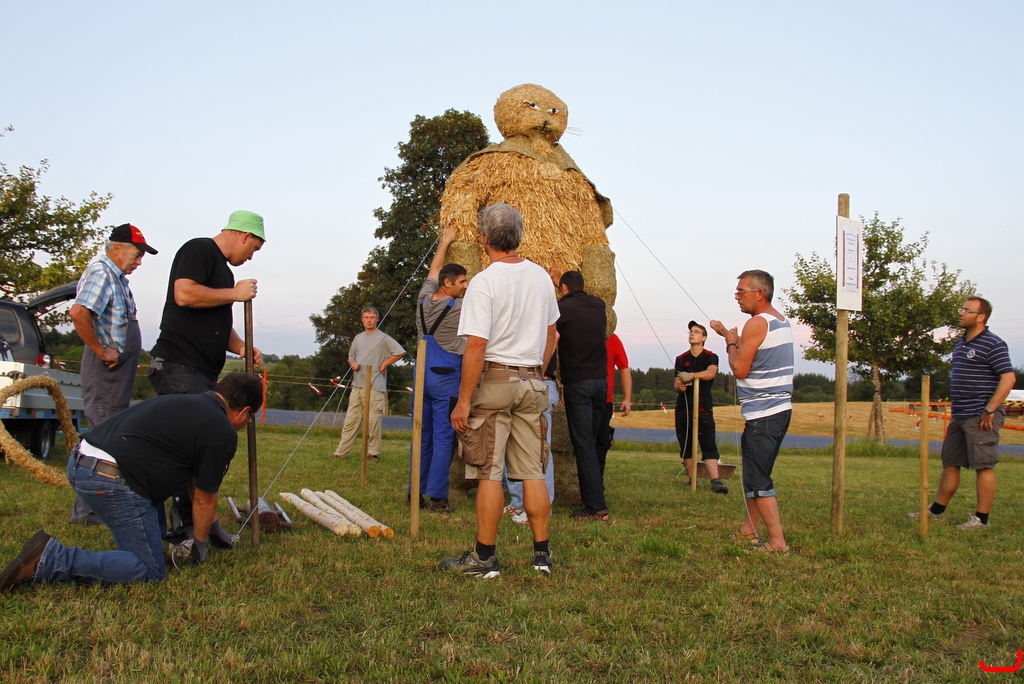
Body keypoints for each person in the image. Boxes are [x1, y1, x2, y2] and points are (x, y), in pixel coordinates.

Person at [0, 373, 264, 591]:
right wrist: (201, 546)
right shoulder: (221, 431)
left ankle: (143, 548)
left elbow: (194, 482)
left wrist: (209, 529)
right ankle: (51, 558)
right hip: (110, 479)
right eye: (250, 417)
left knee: (153, 536)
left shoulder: (186, 402)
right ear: (244, 411)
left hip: (81, 461)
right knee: (149, 571)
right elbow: (205, 497)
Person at [442, 203, 558, 577]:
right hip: (533, 382)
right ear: (518, 236)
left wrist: (463, 401)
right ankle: (541, 556)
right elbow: (552, 333)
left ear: (485, 238)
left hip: (496, 381)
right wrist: (538, 369)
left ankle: (485, 558)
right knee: (532, 470)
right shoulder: (542, 278)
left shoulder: (484, 282)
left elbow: (476, 345)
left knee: (489, 471)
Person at [68, 224, 158, 526]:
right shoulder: (102, 272)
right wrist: (100, 349)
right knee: (102, 437)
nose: (139, 261)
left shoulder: (118, 279)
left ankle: (95, 509)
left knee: (109, 434)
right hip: (105, 372)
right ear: (117, 248)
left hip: (116, 374)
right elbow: (79, 312)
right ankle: (88, 513)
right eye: (137, 254)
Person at [909, 297, 1015, 530]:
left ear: (981, 317)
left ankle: (981, 519)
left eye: (967, 310)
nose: (961, 313)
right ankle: (937, 511)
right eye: (962, 309)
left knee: (983, 465)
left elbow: (1008, 378)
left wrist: (990, 409)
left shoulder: (993, 344)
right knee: (950, 462)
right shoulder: (961, 342)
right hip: (960, 413)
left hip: (981, 414)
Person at [710, 270, 794, 555]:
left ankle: (777, 542)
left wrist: (731, 343)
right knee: (756, 474)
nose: (737, 297)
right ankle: (749, 530)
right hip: (779, 411)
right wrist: (729, 335)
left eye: (741, 292)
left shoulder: (756, 323)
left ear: (760, 293)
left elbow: (739, 368)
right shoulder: (779, 320)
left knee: (758, 478)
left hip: (763, 414)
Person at [149, 210, 266, 394]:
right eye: (255, 248)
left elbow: (217, 323)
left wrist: (242, 347)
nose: (251, 257)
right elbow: (184, 294)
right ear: (245, 236)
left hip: (201, 371)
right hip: (181, 365)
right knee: (190, 414)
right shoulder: (199, 249)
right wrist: (235, 293)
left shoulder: (225, 272)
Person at [411, 225, 468, 512]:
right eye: (462, 282)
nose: (465, 286)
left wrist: (446, 241)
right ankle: (437, 498)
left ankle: (414, 492)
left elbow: (433, 269)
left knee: (421, 435)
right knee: (443, 437)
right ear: (448, 284)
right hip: (445, 377)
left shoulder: (423, 299)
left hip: (420, 373)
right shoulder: (459, 308)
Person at [556, 270, 610, 521]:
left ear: (564, 288)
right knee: (594, 442)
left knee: (584, 444)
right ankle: (597, 497)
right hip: (601, 383)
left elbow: (551, 332)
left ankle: (595, 507)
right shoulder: (599, 306)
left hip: (578, 383)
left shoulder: (561, 309)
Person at [333, 307, 405, 460]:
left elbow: (400, 352)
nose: (369, 320)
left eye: (372, 317)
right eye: (366, 317)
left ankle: (373, 453)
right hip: (357, 385)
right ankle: (340, 453)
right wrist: (353, 364)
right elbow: (350, 357)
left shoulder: (383, 338)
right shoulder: (358, 338)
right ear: (362, 319)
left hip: (375, 385)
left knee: (373, 421)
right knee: (351, 421)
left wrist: (385, 363)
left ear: (377, 319)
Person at [503, 353, 558, 524]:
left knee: (539, 450)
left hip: (537, 382)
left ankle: (542, 507)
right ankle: (518, 502)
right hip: (519, 382)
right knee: (513, 446)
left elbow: (553, 340)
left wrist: (537, 375)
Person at [675, 321, 728, 494]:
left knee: (708, 443)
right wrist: (679, 385)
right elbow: (676, 383)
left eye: (697, 332)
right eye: (691, 331)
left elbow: (710, 373)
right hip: (684, 408)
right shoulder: (681, 359)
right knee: (686, 445)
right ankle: (692, 479)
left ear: (704, 338)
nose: (692, 334)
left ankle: (716, 481)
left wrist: (692, 375)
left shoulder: (711, 357)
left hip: (704, 407)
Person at [596, 333, 632, 476]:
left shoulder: (613, 339)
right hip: (582, 399)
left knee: (601, 443)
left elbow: (624, 368)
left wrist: (627, 399)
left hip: (605, 400)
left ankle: (598, 481)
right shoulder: (581, 332)